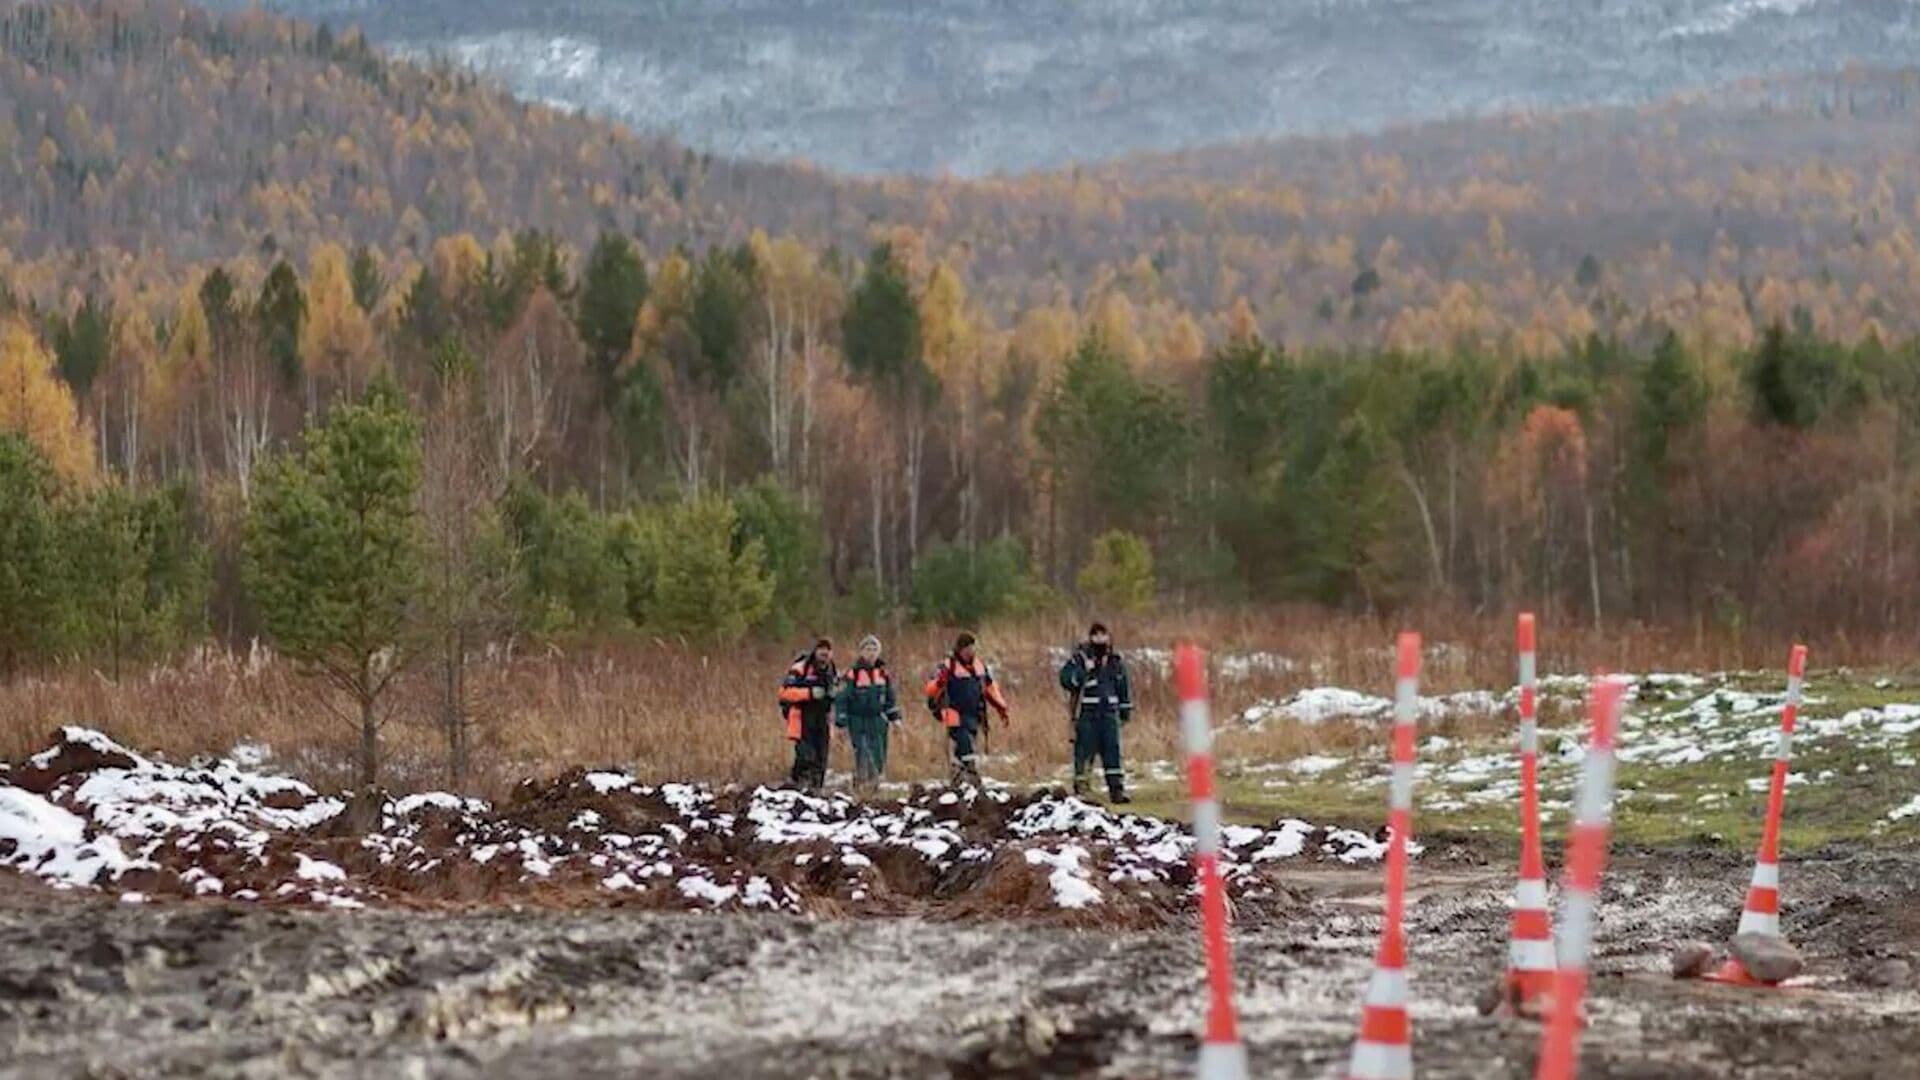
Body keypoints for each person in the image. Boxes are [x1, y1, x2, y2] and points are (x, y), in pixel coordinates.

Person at [924, 632, 1010, 788]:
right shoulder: (947, 666)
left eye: (972, 648)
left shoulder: (979, 666)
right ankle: (971, 773)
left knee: (966, 742)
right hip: (952, 711)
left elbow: (990, 688)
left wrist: (1001, 707)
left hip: (973, 713)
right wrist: (940, 682)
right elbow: (930, 689)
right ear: (960, 649)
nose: (970, 651)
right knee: (964, 742)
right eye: (967, 648)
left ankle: (958, 778)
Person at [1059, 621, 1132, 803]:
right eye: (1096, 635)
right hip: (1088, 714)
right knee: (1084, 752)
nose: (1100, 639)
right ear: (1090, 637)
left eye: (1103, 635)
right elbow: (1066, 679)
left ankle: (1116, 790)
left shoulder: (1115, 661)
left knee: (1112, 752)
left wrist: (1125, 711)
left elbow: (1123, 687)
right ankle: (1081, 790)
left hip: (1109, 714)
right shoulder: (1080, 659)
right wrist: (1084, 672)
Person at [835, 634, 902, 793]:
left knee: (879, 752)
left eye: (874, 649)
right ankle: (861, 782)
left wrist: (896, 719)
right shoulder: (853, 674)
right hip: (858, 719)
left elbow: (890, 698)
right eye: (867, 649)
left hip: (878, 720)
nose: (871, 653)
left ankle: (875, 784)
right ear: (861, 652)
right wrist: (841, 722)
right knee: (863, 751)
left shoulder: (883, 673)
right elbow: (842, 698)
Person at [779, 638, 837, 792]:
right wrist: (809, 693)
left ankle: (816, 790)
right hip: (802, 717)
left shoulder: (831, 669)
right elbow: (784, 693)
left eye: (828, 651)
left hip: (822, 718)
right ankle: (797, 783)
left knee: (821, 758)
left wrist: (834, 694)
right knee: (806, 755)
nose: (824, 654)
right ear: (815, 651)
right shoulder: (800, 668)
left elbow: (835, 691)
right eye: (821, 650)